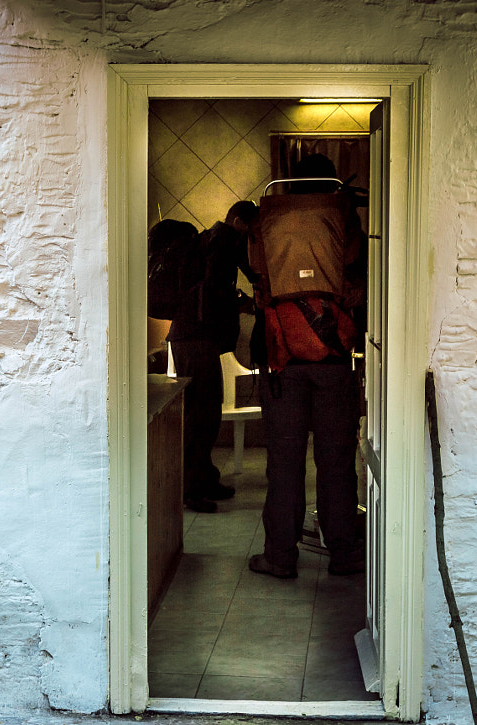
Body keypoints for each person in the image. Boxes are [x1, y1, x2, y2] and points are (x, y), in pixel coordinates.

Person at [248, 153, 367, 578]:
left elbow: (256, 273)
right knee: (335, 462)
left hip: (283, 360)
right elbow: (359, 272)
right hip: (334, 360)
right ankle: (344, 553)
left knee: (284, 463)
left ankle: (280, 557)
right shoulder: (341, 215)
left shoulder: (269, 216)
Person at [147, 215, 243, 513]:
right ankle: (191, 489)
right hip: (195, 338)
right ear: (239, 221)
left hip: (195, 337)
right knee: (199, 415)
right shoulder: (218, 244)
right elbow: (215, 291)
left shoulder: (205, 247)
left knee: (207, 413)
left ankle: (205, 479)